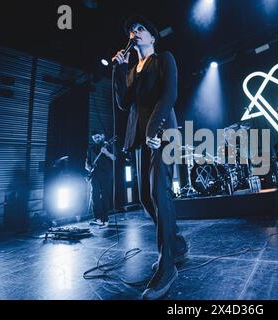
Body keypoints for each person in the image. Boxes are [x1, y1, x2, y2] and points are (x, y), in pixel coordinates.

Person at [112, 15, 188, 300]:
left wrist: (155, 128)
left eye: (140, 28)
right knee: (145, 196)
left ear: (153, 37)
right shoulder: (132, 69)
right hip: (142, 137)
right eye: (132, 29)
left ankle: (167, 267)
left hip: (163, 132)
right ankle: (177, 246)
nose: (135, 32)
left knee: (159, 192)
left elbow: (170, 94)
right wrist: (119, 70)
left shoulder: (164, 59)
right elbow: (123, 103)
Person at [85, 131, 116, 228]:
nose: (96, 139)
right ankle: (98, 218)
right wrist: (88, 167)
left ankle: (105, 219)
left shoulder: (108, 145)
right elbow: (87, 162)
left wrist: (106, 153)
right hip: (95, 174)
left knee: (105, 196)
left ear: (103, 136)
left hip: (106, 174)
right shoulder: (91, 148)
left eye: (98, 137)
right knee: (94, 195)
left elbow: (114, 157)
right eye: (94, 138)